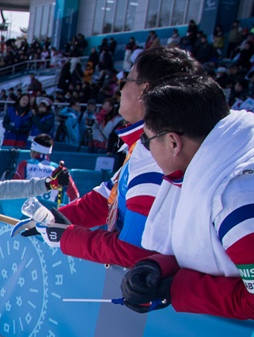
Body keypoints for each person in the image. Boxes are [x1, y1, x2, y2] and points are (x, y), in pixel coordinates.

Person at [14, 47, 203, 269]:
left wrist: (65, 237)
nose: (120, 89)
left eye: (127, 80)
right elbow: (105, 199)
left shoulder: (158, 156)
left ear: (145, 90)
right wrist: (51, 219)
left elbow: (134, 253)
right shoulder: (144, 146)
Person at [121, 74, 254, 320]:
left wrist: (175, 289)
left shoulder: (236, 199)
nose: (146, 150)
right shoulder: (221, 163)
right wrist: (161, 267)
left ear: (173, 142)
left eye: (146, 141)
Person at [13, 133, 79, 204]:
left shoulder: (25, 164)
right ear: (49, 153)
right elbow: (75, 196)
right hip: (48, 213)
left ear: (32, 150)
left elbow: (13, 189)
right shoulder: (60, 169)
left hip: (24, 211)